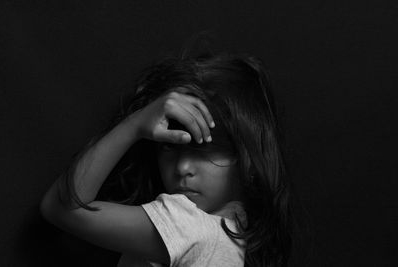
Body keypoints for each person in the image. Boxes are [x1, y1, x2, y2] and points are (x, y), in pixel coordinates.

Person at [40, 50, 294, 267]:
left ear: (248, 159)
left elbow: (62, 207)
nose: (183, 167)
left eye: (206, 150)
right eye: (168, 148)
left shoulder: (191, 226)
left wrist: (136, 124)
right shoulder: (234, 231)